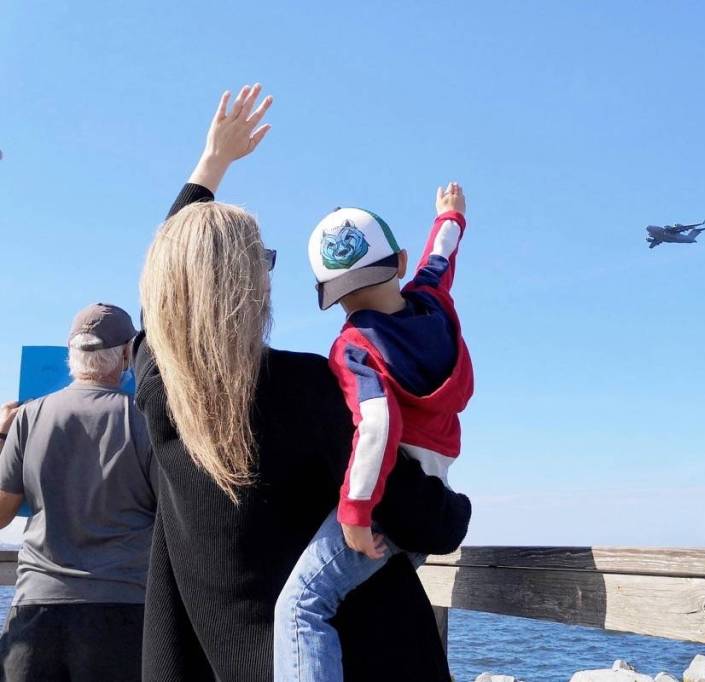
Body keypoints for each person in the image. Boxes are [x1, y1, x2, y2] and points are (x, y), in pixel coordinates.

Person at [135, 83, 470, 682]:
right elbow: (427, 523)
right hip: (373, 658)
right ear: (246, 287)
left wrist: (210, 166)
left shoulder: (162, 395)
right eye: (262, 260)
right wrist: (456, 504)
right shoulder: (311, 391)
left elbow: (164, 303)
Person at [274, 184, 473, 681]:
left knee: (302, 606)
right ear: (399, 263)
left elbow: (378, 426)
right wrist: (449, 216)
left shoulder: (355, 346)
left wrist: (357, 512)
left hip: (388, 506)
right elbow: (440, 260)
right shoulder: (434, 306)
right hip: (435, 494)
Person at [0, 304, 156, 682]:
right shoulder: (145, 418)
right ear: (125, 354)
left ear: (71, 355)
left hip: (36, 611)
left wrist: (2, 435)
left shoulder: (28, 418)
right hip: (122, 610)